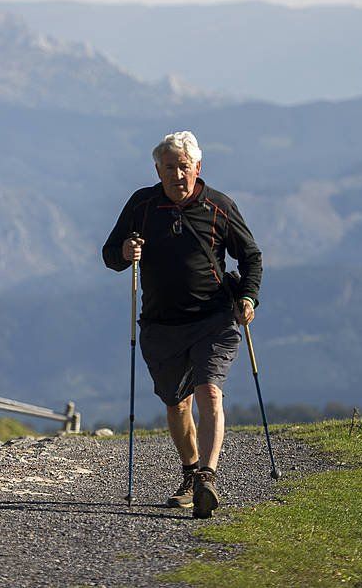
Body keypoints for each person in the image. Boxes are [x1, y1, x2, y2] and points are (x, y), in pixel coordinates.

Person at [102, 130, 262, 519]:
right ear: (157, 170)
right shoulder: (142, 205)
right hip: (161, 324)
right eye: (169, 168)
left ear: (198, 168)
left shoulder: (219, 207)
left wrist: (247, 297)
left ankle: (207, 476)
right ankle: (190, 471)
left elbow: (251, 257)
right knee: (176, 403)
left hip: (215, 318)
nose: (177, 175)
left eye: (184, 167)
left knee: (209, 393)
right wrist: (125, 252)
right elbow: (110, 255)